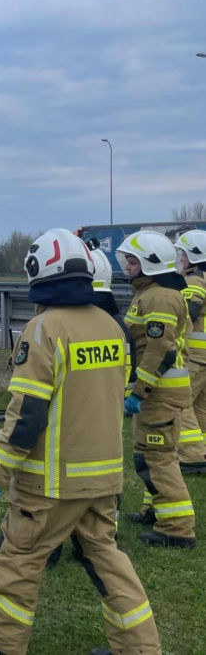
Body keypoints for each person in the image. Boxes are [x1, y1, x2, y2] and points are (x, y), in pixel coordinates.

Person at [0, 228, 161, 655]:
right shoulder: (111, 326)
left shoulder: (42, 329)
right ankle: (139, 647)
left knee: (19, 558)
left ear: (38, 274)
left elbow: (27, 414)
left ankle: (0, 638)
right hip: (104, 479)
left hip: (48, 483)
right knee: (107, 561)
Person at [117, 231, 196, 547]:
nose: (127, 267)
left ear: (150, 263)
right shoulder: (150, 292)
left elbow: (158, 349)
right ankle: (156, 511)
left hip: (159, 393)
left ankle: (177, 528)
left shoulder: (159, 296)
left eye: (133, 262)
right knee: (152, 455)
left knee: (156, 458)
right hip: (159, 392)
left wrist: (139, 392)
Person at [174, 230, 206, 475]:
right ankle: (202, 450)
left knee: (182, 404)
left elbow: (189, 312)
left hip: (195, 355)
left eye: (182, 253)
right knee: (200, 409)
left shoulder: (194, 281)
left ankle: (193, 457)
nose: (180, 258)